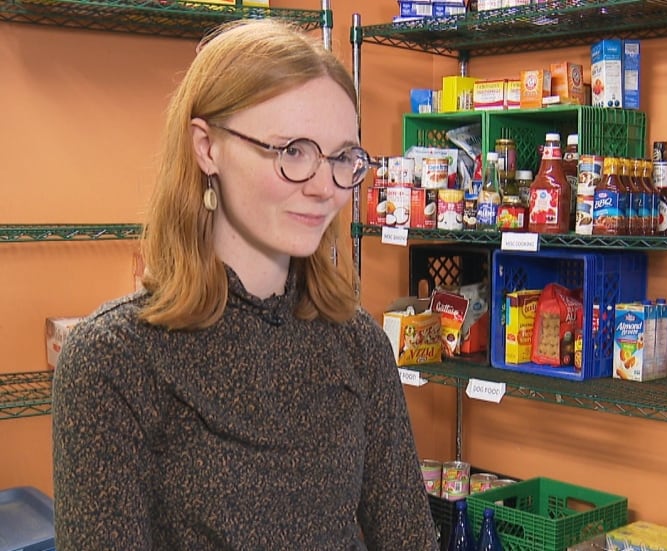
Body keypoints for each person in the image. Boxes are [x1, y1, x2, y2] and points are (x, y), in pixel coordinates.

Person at [52, 19, 438, 550]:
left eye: (343, 157)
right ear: (207, 147)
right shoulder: (112, 360)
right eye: (293, 152)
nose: (324, 187)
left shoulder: (359, 346)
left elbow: (409, 541)